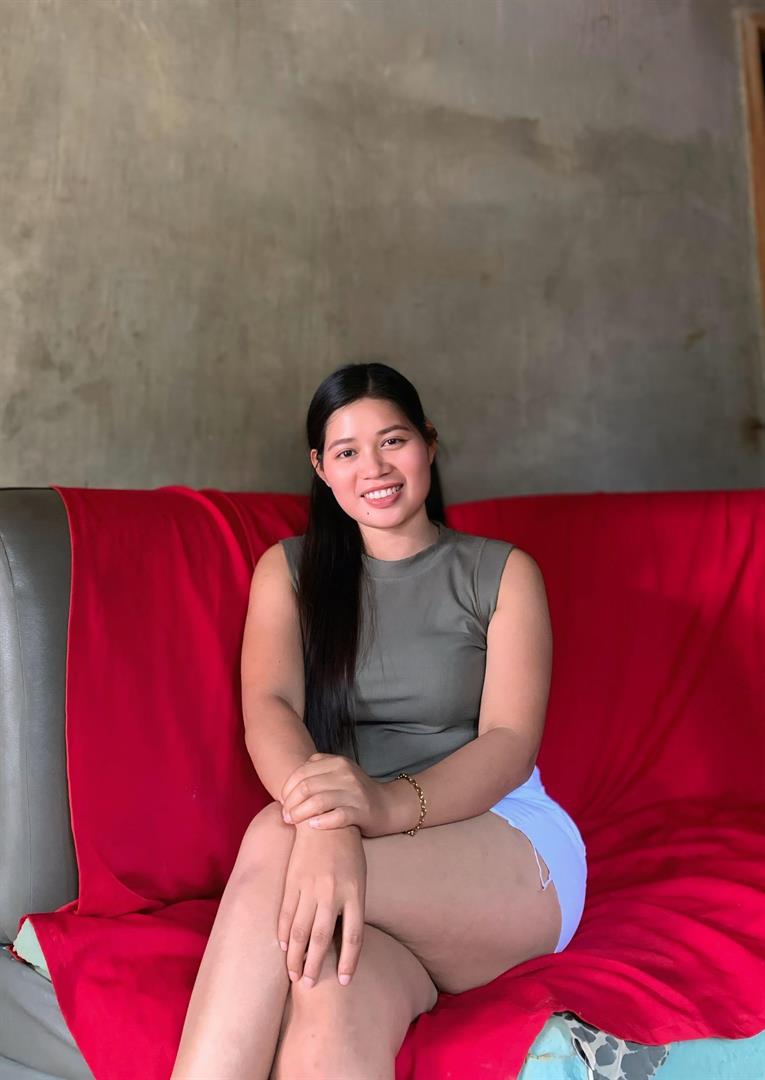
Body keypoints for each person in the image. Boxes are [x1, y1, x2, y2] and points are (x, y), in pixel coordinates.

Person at [171, 361, 587, 1080]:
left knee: (273, 839)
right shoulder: (290, 572)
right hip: (352, 860)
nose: (375, 468)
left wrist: (376, 809)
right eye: (347, 451)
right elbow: (269, 708)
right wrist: (331, 818)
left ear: (428, 443)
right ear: (320, 468)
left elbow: (510, 743)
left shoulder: (501, 573)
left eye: (393, 441)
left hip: (498, 847)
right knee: (327, 1001)